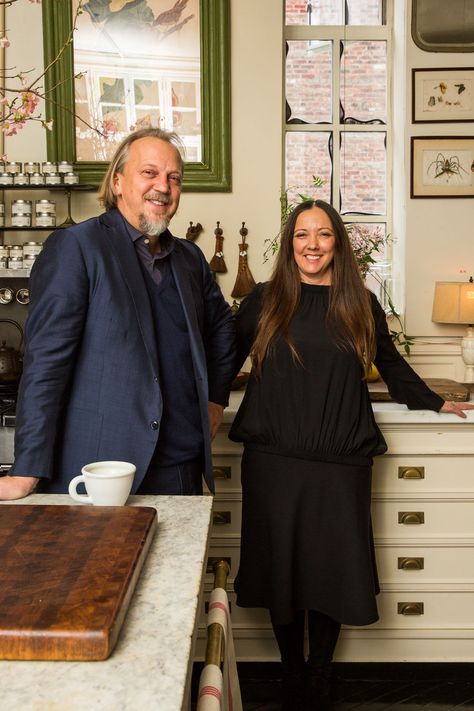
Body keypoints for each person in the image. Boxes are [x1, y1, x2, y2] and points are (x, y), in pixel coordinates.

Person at [228, 199, 474, 710]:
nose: (311, 244)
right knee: (282, 570)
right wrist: (195, 405)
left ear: (337, 243)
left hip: (341, 461)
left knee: (330, 568)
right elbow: (220, 362)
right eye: (301, 235)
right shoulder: (264, 301)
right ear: (289, 243)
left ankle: (320, 673)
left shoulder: (359, 302)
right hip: (274, 459)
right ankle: (291, 672)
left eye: (322, 234)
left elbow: (391, 364)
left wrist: (436, 401)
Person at [0, 127, 236, 501]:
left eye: (173, 178)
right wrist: (27, 469)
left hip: (181, 471)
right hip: (101, 472)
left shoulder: (190, 258)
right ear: (118, 182)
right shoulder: (76, 248)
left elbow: (224, 327)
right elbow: (46, 365)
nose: (163, 186)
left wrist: (216, 399)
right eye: (150, 173)